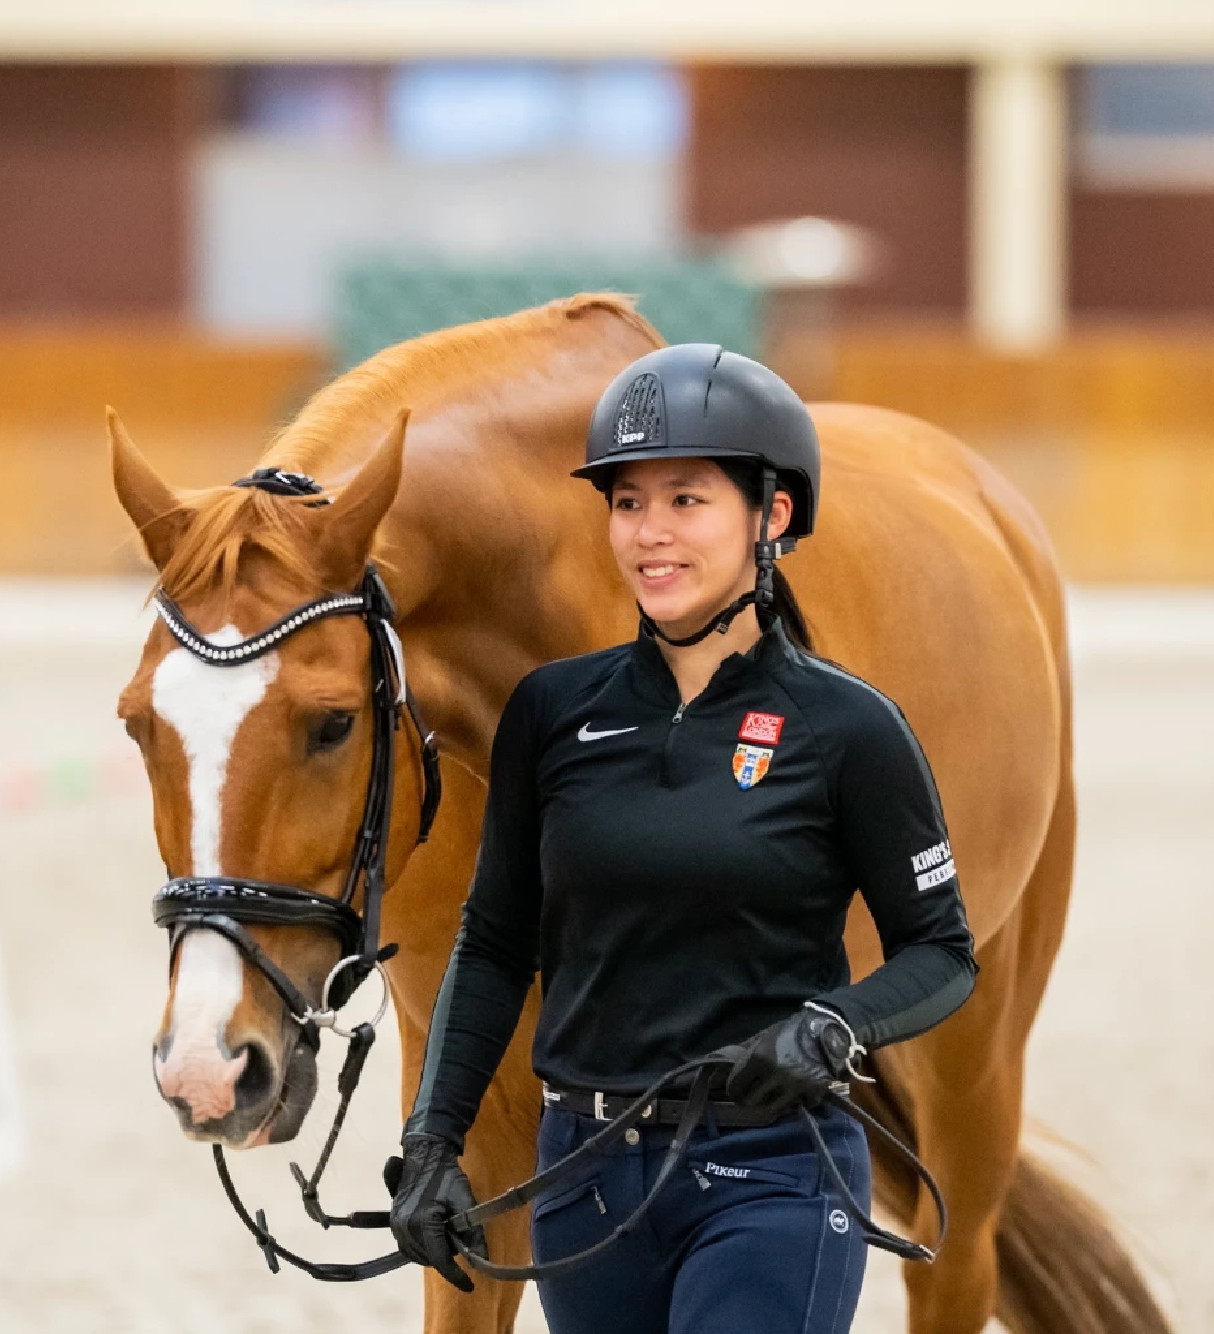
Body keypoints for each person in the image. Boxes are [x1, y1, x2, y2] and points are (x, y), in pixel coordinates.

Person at [388, 343, 978, 1333]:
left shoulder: (848, 728)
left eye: (685, 500)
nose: (647, 534)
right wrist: (432, 1142)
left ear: (771, 516)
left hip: (773, 1170)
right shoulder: (551, 713)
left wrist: (833, 1023)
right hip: (586, 1177)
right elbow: (492, 944)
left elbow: (940, 950)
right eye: (626, 503)